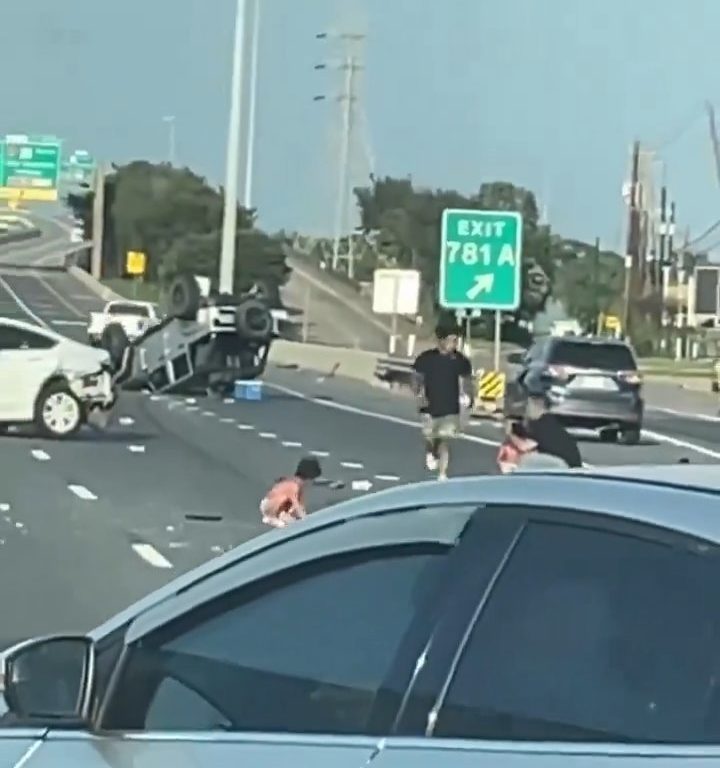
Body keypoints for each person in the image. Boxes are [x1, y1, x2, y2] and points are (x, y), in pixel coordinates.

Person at [412, 324, 473, 480]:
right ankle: (431, 451)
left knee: (444, 440)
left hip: (450, 408)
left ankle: (442, 473)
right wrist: (419, 395)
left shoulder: (461, 361)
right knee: (431, 438)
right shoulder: (426, 359)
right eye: (451, 340)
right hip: (429, 407)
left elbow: (466, 381)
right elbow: (417, 378)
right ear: (441, 340)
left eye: (456, 340)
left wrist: (469, 397)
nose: (454, 343)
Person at [523, 386, 583, 468]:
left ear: (537, 404)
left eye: (527, 405)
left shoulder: (538, 428)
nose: (525, 410)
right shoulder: (555, 428)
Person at [260, 456, 322, 528]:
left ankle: (279, 517)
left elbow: (301, 505)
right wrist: (305, 521)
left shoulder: (299, 486)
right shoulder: (293, 486)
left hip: (280, 507)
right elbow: (297, 506)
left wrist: (303, 516)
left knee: (292, 521)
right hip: (269, 505)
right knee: (289, 524)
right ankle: (271, 517)